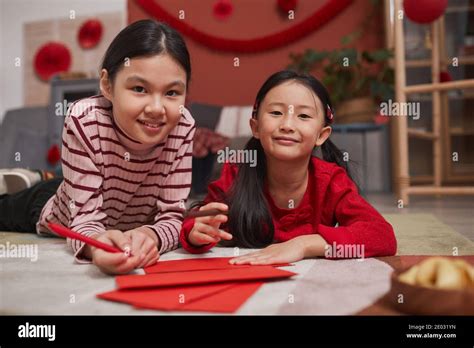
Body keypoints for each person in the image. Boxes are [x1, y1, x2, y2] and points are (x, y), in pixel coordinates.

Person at [0, 19, 195, 274]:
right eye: (139, 88)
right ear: (107, 85)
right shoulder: (84, 120)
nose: (157, 109)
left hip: (94, 196)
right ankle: (32, 178)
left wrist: (152, 235)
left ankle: (38, 176)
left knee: (55, 182)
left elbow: (172, 217)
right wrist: (97, 246)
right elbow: (84, 220)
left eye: (171, 93)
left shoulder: (183, 126)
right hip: (55, 205)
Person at [180, 70, 397, 264]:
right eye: (276, 113)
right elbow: (197, 222)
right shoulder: (236, 173)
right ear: (255, 127)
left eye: (303, 116)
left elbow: (382, 236)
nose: (287, 125)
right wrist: (196, 233)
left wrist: (304, 245)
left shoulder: (331, 181)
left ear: (321, 135)